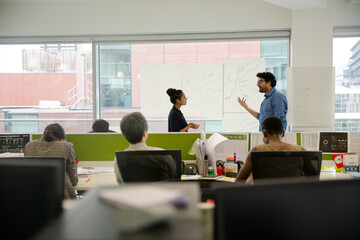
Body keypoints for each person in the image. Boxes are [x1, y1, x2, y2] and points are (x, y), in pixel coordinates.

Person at [235, 117, 304, 183]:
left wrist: (250, 178)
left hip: (265, 194)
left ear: (264, 133)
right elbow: (313, 179)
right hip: (293, 194)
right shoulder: (300, 150)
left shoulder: (256, 150)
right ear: (283, 133)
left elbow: (239, 182)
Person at [114, 112, 176, 184]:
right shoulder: (163, 155)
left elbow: (122, 184)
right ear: (144, 133)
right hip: (160, 194)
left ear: (124, 135)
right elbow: (174, 182)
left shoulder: (119, 159)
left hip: (132, 195)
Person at [24, 123, 78, 199]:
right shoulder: (67, 146)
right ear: (60, 139)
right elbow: (73, 179)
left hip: (34, 194)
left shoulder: (29, 145)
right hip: (62, 196)